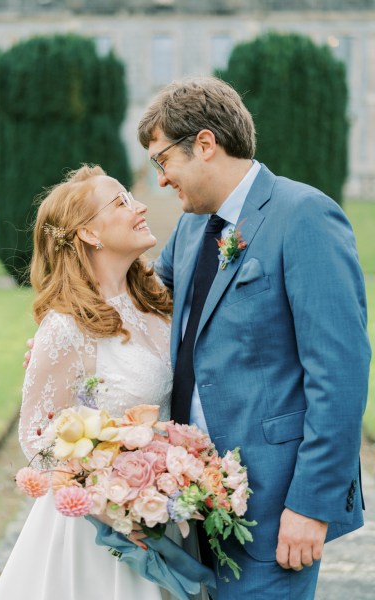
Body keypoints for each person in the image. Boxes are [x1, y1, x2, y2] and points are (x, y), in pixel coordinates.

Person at [137, 76, 372, 599]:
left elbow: (341, 374)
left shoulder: (304, 214)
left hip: (273, 508)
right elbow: (145, 308)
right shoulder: (191, 228)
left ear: (203, 144)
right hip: (186, 502)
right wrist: (74, 331)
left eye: (162, 160)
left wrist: (312, 505)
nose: (162, 180)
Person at [0, 165, 179, 600]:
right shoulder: (66, 326)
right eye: (122, 202)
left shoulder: (156, 300)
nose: (141, 205)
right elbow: (38, 439)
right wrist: (114, 502)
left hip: (165, 513)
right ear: (89, 234)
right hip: (103, 535)